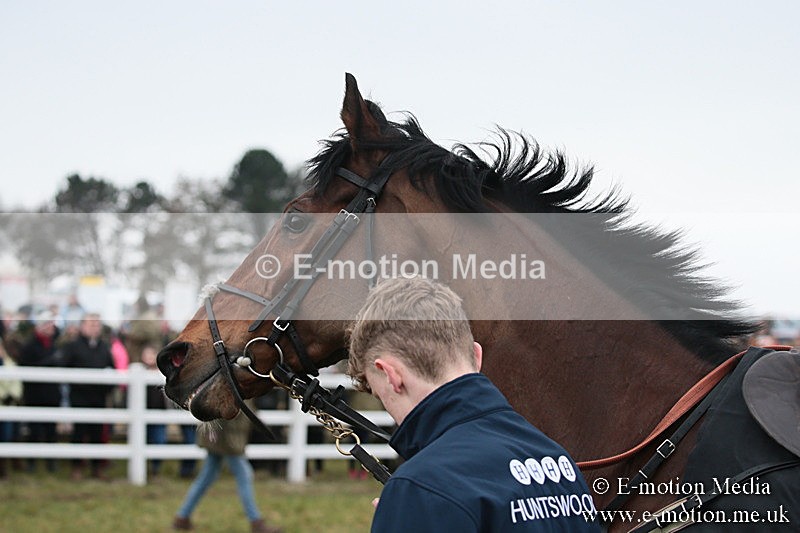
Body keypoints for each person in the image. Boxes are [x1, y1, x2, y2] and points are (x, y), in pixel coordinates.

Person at [347, 277, 600, 532]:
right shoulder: (557, 461)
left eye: (379, 395)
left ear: (391, 376)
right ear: (476, 356)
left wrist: (410, 508)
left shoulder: (421, 486)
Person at [172, 401, 283, 533]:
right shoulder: (232, 384)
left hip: (220, 438)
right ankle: (256, 522)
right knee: (244, 475)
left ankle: (182, 517)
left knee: (206, 477)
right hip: (226, 439)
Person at [59, 313, 115, 480]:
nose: (94, 327)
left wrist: (107, 387)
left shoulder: (104, 347)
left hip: (98, 396)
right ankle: (76, 467)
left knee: (97, 433)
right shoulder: (73, 346)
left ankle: (96, 467)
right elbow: (64, 367)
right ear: (82, 326)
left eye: (97, 324)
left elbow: (111, 368)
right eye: (91, 324)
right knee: (79, 432)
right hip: (79, 396)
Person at [17, 310, 62, 473]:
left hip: (51, 394)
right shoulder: (29, 345)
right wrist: (49, 362)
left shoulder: (55, 343)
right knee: (34, 430)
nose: (51, 327)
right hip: (35, 394)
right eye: (48, 323)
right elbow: (25, 367)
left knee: (51, 430)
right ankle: (32, 462)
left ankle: (51, 462)